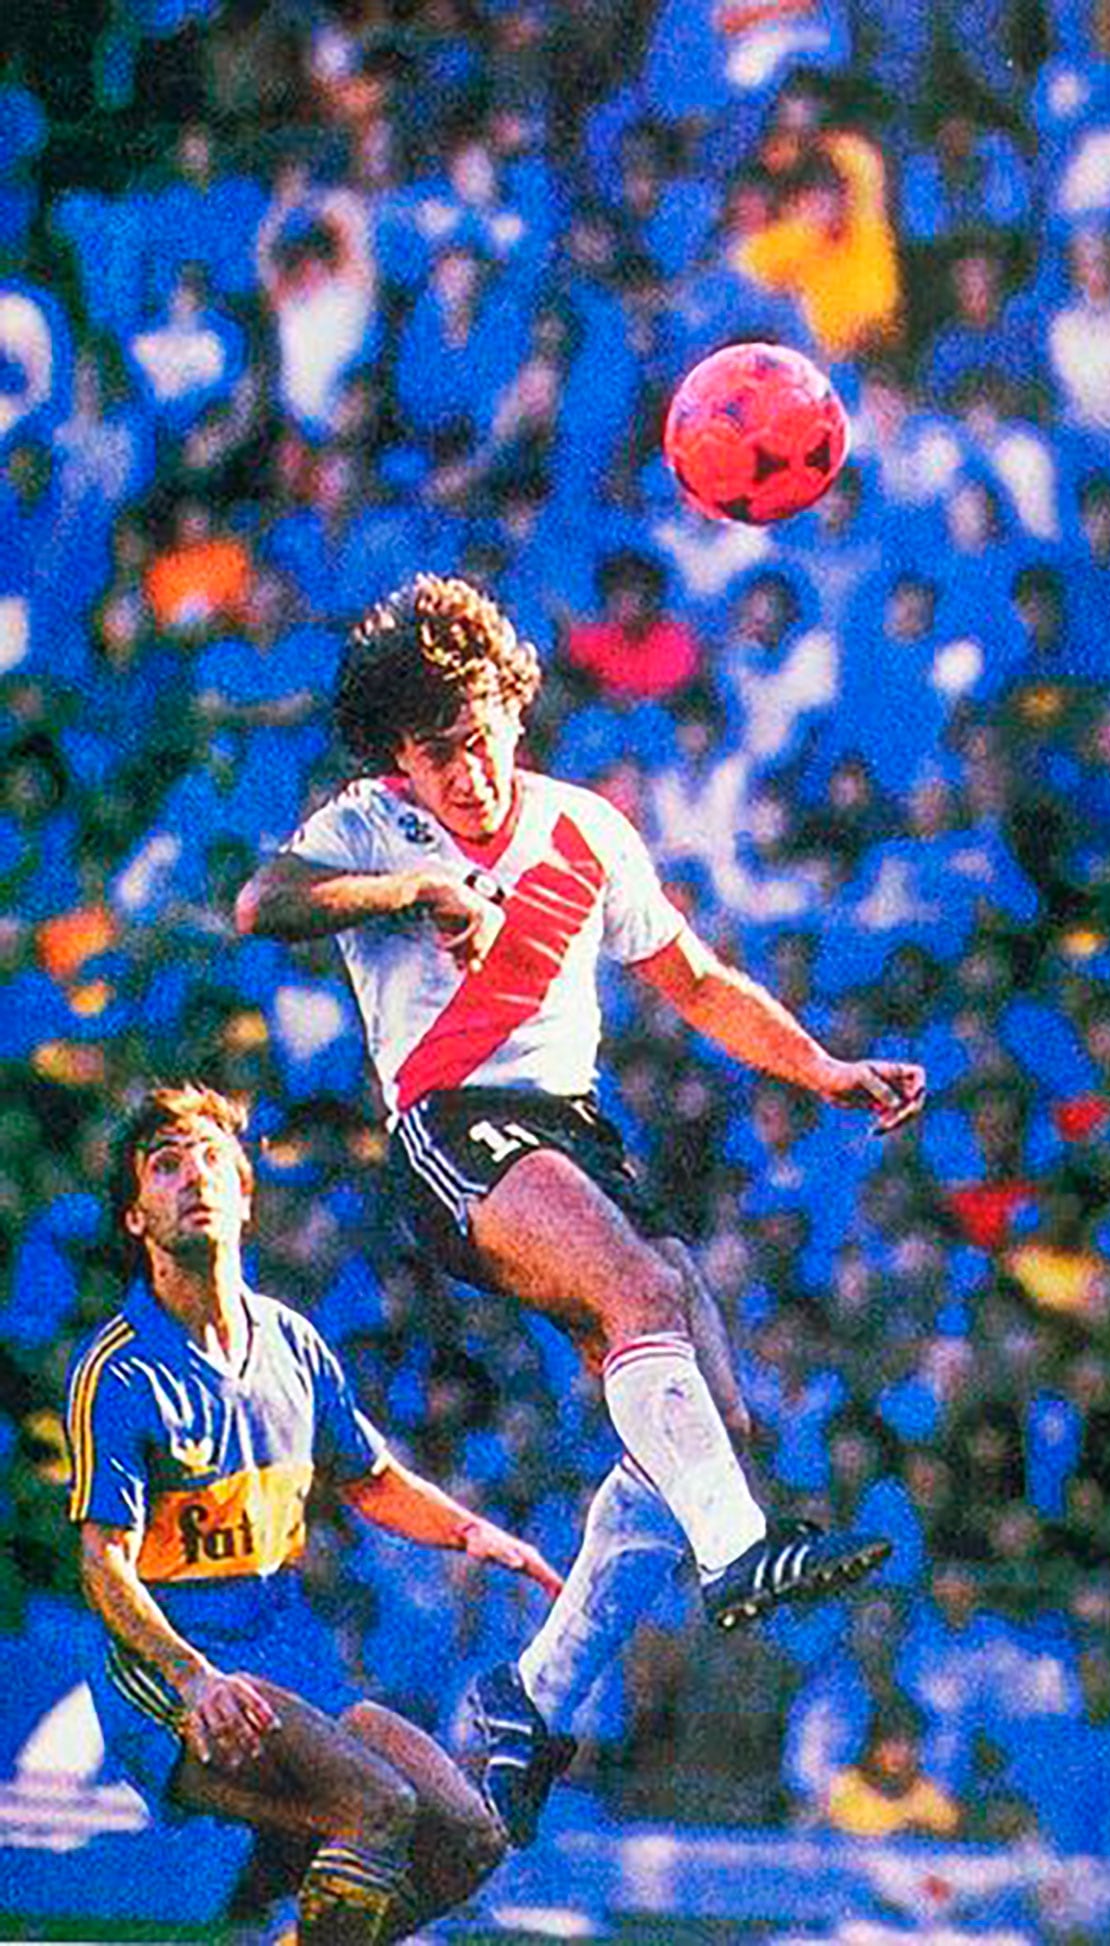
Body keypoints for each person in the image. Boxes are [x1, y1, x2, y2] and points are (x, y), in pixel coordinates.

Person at [234, 572, 924, 1846]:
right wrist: (418, 892)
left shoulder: (586, 830)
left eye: (482, 739)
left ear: (513, 713)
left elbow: (698, 980)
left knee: (707, 1417)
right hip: (453, 1123)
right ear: (399, 754)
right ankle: (739, 1557)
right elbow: (264, 905)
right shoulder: (375, 827)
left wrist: (823, 1066)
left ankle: (529, 1696)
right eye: (439, 755)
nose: (469, 774)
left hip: (574, 1133)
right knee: (650, 1299)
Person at [66, 1082, 564, 1945]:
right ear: (136, 1220)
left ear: (247, 1198)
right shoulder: (119, 1372)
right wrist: (194, 1678)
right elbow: (104, 1562)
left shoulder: (293, 1345)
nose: (196, 1178)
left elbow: (370, 1480)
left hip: (294, 1664)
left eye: (214, 1159)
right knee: (379, 1808)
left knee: (471, 1837)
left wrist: (471, 1531)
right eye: (167, 1165)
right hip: (177, 1683)